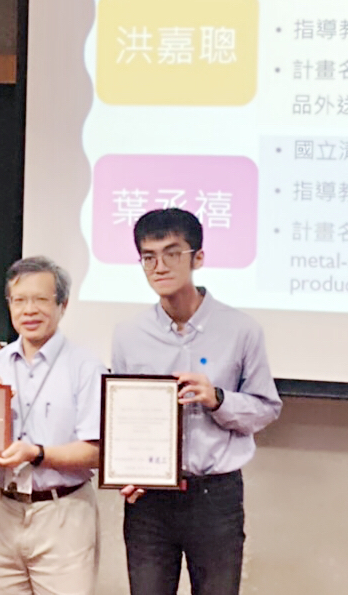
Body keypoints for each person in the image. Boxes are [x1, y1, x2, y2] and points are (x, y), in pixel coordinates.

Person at [112, 208, 282, 595]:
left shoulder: (241, 330)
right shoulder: (128, 334)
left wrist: (218, 399)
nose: (159, 266)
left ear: (198, 258)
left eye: (172, 253)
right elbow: (123, 418)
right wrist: (126, 467)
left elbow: (266, 408)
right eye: (149, 256)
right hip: (150, 501)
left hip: (214, 496)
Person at [0, 256, 105, 595]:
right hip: (2, 508)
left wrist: (36, 453)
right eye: (19, 300)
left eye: (41, 299)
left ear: (63, 304)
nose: (29, 310)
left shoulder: (87, 368)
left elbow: (98, 452)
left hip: (63, 512)